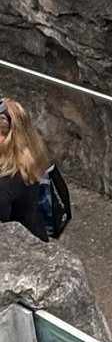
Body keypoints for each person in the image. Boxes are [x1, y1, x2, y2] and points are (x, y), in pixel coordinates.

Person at [0, 97, 49, 240]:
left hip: (21, 248)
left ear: (8, 137)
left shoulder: (3, 187)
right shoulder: (26, 161)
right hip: (36, 232)